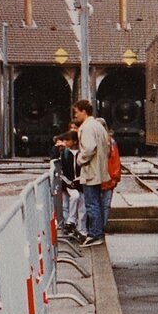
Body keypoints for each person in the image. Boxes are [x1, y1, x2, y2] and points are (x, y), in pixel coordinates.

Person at [72, 99, 110, 248]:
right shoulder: (98, 126)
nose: (75, 116)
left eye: (76, 112)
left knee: (91, 203)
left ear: (83, 111)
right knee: (96, 202)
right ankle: (97, 232)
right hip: (98, 169)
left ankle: (95, 234)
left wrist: (79, 160)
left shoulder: (87, 127)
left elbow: (89, 148)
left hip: (90, 170)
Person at [58, 131, 87, 242]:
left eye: (68, 140)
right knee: (75, 197)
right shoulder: (65, 153)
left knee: (83, 207)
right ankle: (71, 220)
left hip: (80, 183)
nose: (65, 142)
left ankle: (81, 229)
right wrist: (69, 182)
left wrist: (79, 179)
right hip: (69, 184)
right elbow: (62, 170)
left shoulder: (81, 153)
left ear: (75, 141)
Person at [97, 118, 122, 230]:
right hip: (97, 178)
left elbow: (115, 160)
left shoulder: (111, 142)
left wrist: (115, 177)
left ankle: (102, 226)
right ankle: (98, 227)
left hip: (108, 177)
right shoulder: (92, 141)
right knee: (98, 204)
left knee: (105, 204)